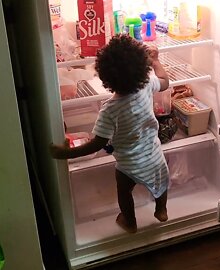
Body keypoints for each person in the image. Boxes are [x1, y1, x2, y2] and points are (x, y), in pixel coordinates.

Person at [50, 34, 170, 234]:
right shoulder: (147, 84)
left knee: (124, 191)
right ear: (142, 68)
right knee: (161, 181)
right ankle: (161, 209)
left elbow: (97, 144)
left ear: (104, 77)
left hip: (128, 163)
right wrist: (156, 61)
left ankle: (129, 221)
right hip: (154, 155)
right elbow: (165, 81)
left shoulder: (110, 110)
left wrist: (65, 153)